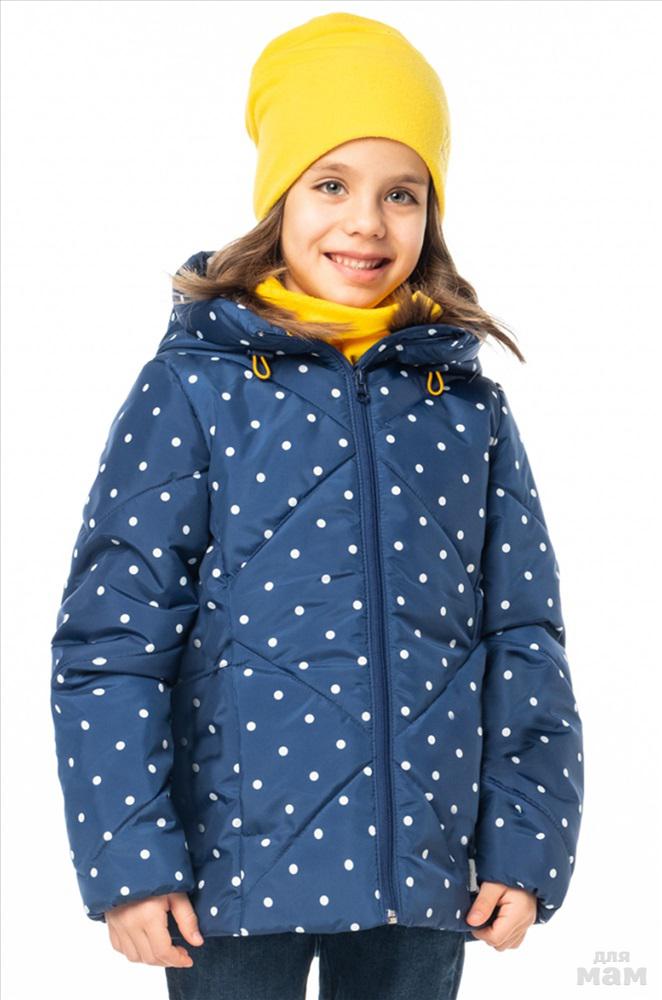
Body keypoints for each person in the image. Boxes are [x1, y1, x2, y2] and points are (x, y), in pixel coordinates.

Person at [49, 11, 585, 1000]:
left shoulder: (465, 406)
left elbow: (522, 637)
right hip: (230, 880)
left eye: (401, 193)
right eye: (331, 185)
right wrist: (129, 860)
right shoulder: (195, 387)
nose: (366, 223)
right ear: (278, 199)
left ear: (431, 213)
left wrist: (526, 842)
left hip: (422, 882)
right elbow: (112, 638)